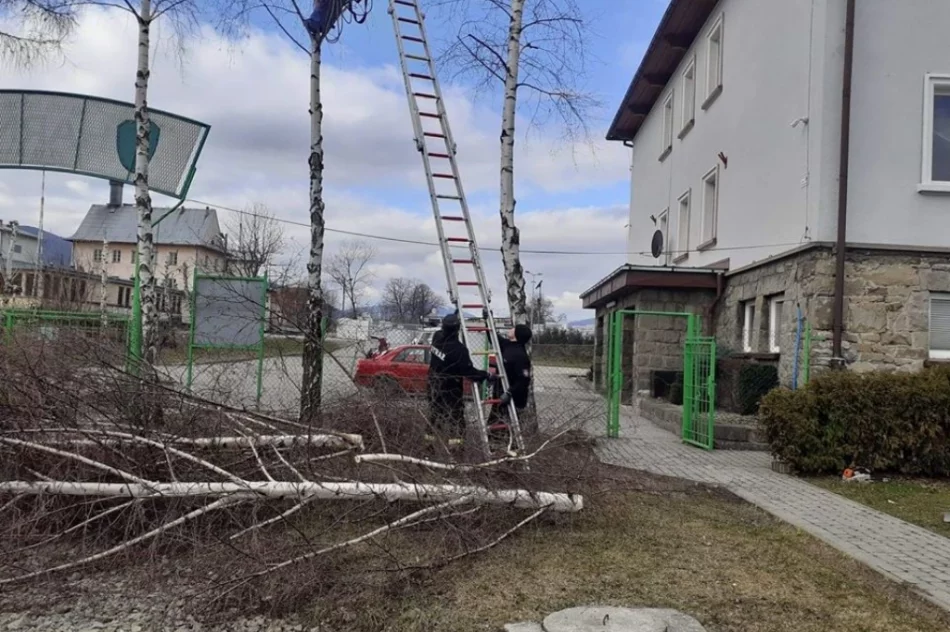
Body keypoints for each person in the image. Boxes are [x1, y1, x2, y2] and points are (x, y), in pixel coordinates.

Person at [427, 313, 495, 440]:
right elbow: (469, 372)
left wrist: (456, 312)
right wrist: (486, 375)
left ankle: (429, 447)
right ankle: (456, 450)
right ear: (458, 329)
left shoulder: (437, 338)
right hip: (450, 389)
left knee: (435, 416)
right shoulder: (459, 350)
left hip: (433, 384)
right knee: (456, 420)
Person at [487, 324, 533, 434]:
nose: (510, 329)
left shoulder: (521, 356)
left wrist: (509, 393)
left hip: (512, 397)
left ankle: (509, 446)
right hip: (500, 392)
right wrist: (487, 321)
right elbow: (493, 337)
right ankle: (494, 445)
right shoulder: (507, 345)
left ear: (517, 334)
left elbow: (524, 380)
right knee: (494, 424)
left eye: (514, 328)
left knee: (507, 426)